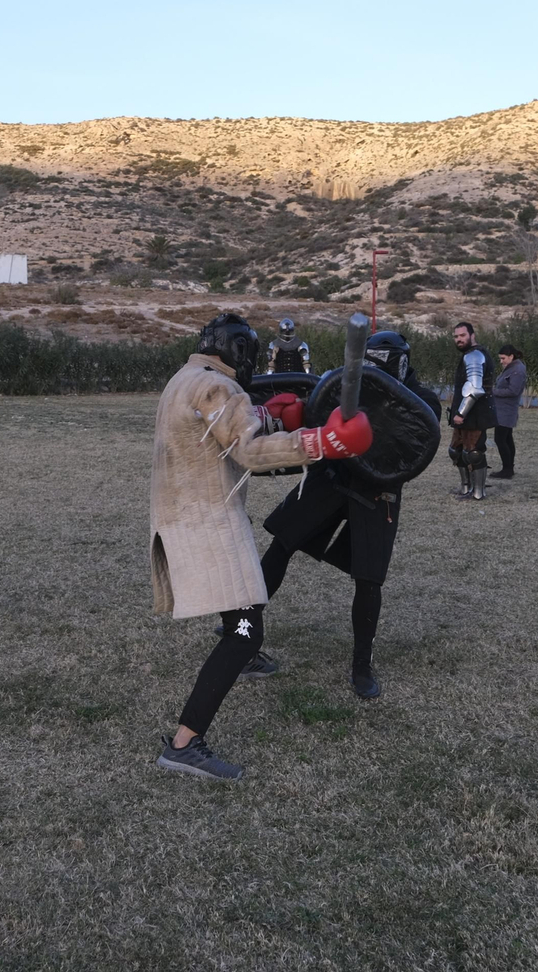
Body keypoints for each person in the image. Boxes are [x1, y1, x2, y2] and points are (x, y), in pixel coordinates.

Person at [152, 313, 373, 780]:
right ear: (239, 349)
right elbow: (249, 451)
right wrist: (321, 440)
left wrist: (272, 415)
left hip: (182, 512)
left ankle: (247, 658)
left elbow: (220, 428)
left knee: (245, 601)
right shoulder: (219, 389)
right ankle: (184, 743)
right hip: (205, 520)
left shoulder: (186, 378)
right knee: (246, 629)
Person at [256, 330, 442, 699]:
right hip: (333, 475)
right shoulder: (345, 385)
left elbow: (416, 440)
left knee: (368, 579)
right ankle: (243, 623)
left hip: (377, 491)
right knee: (282, 545)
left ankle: (361, 663)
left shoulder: (421, 402)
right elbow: (319, 415)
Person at [447, 321, 497, 501]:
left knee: (474, 452)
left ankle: (478, 493)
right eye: (456, 336)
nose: (459, 339)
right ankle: (465, 488)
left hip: (475, 412)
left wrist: (461, 413)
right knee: (457, 450)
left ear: (472, 335)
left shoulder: (474, 356)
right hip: (467, 411)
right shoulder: (470, 354)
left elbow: (475, 389)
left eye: (462, 335)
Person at [491, 344, 528, 479]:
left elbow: (513, 391)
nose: (501, 361)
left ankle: (507, 469)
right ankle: (508, 468)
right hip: (502, 409)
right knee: (506, 439)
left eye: (503, 358)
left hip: (506, 410)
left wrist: (492, 392)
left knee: (500, 439)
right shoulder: (512, 368)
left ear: (511, 356)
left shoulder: (517, 370)